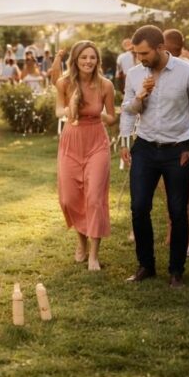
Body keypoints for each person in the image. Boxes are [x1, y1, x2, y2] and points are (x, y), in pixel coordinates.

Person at [119, 25, 189, 288]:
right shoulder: (135, 74)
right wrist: (126, 139)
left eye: (144, 53)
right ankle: (146, 265)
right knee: (139, 208)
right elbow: (128, 109)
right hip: (145, 146)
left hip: (178, 149)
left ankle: (176, 271)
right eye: (137, 54)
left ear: (160, 48)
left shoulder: (188, 72)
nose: (140, 59)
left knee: (177, 210)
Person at [56, 40, 117, 272]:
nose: (88, 61)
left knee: (95, 198)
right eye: (83, 57)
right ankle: (81, 241)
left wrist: (99, 115)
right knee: (69, 198)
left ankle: (94, 255)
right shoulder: (64, 83)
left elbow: (112, 118)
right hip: (71, 141)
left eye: (92, 57)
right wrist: (70, 108)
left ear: (97, 60)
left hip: (96, 142)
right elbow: (58, 110)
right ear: (75, 60)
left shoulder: (105, 85)